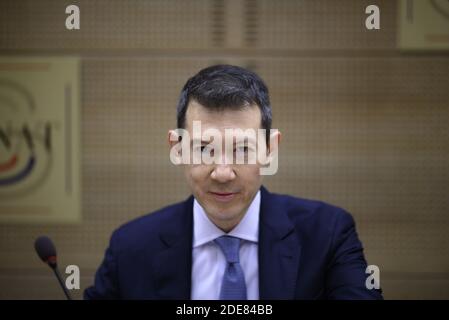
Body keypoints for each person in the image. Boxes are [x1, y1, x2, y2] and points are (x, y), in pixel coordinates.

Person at [84, 65, 382, 300]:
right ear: (177, 148)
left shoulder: (327, 235)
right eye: (204, 149)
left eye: (241, 150)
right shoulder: (130, 248)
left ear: (270, 150)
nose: (223, 173)